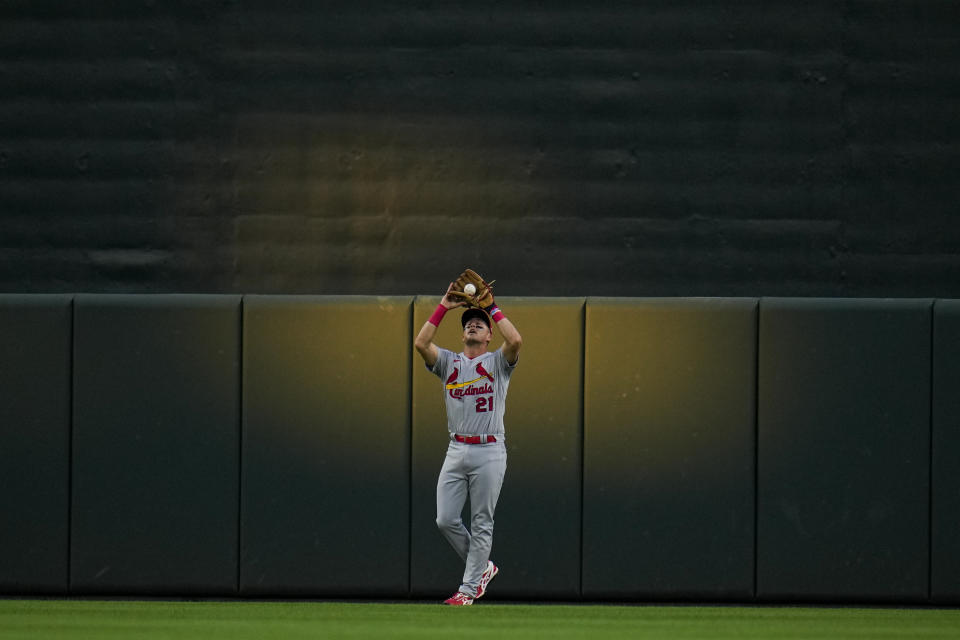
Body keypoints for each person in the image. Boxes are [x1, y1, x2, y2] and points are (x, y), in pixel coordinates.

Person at [414, 277, 522, 606]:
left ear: (490, 335)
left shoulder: (497, 363)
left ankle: (468, 589)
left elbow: (516, 340)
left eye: (480, 324)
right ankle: (483, 568)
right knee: (445, 519)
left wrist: (492, 308)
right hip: (457, 447)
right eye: (469, 324)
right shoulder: (449, 362)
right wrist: (443, 307)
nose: (473, 325)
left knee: (481, 520)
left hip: (489, 449)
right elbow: (421, 343)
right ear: (463, 334)